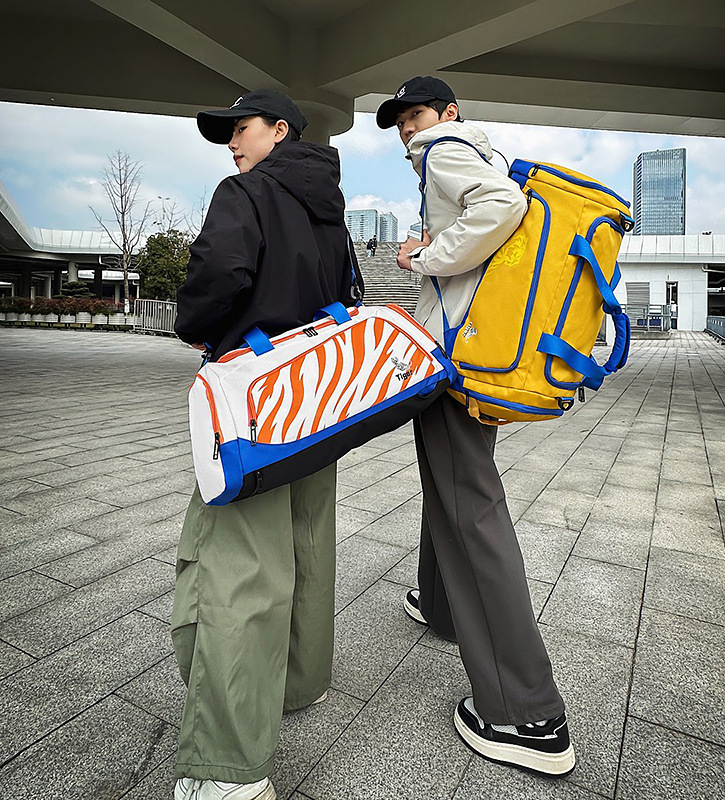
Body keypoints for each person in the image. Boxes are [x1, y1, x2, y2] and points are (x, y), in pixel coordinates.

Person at [376, 76, 575, 776]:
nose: (408, 126)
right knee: (451, 487)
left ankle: (528, 715)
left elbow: (503, 207)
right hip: (474, 353)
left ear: (448, 112)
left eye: (418, 113)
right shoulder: (472, 149)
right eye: (401, 119)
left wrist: (424, 257)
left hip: (457, 358)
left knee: (472, 508)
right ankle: (442, 607)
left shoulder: (444, 150)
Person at [171, 88, 363, 800]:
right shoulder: (329, 208)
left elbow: (218, 276)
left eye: (240, 129)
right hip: (316, 397)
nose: (231, 143)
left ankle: (228, 766)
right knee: (309, 537)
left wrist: (195, 322)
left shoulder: (246, 193)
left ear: (279, 131)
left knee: (234, 562)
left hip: (252, 403)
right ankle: (298, 683)